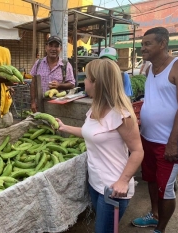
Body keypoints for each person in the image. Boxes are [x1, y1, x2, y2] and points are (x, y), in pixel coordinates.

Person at [56, 59, 144, 233]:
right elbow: (89, 133)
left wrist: (123, 181)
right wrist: (64, 127)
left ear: (98, 83)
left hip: (113, 189)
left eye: (88, 78)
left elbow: (137, 151)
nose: (84, 82)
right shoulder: (95, 108)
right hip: (95, 184)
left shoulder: (121, 115)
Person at [131, 27, 178, 233]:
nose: (143, 48)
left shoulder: (177, 67)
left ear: (163, 44)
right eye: (142, 44)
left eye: (147, 44)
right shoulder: (150, 68)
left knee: (166, 188)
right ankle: (154, 215)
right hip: (147, 138)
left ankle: (160, 229)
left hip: (167, 142)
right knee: (150, 180)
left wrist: (172, 142)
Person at [29, 35, 76, 113]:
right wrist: (33, 102)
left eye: (56, 46)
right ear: (46, 48)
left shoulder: (66, 65)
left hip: (59, 108)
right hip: (40, 105)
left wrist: (59, 85)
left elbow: (72, 84)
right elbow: (33, 84)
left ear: (60, 49)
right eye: (50, 46)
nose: (53, 49)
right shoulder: (38, 63)